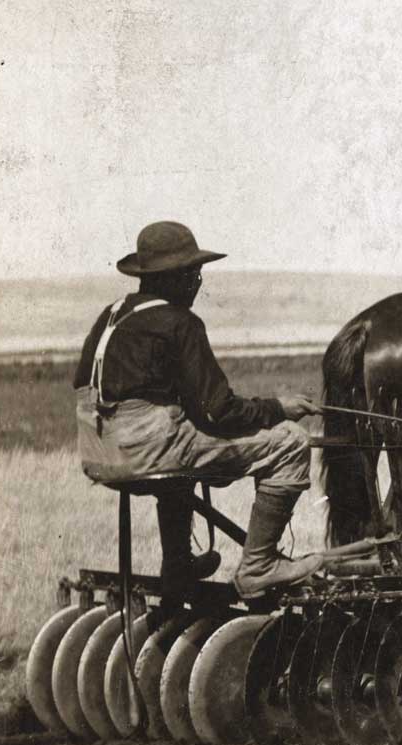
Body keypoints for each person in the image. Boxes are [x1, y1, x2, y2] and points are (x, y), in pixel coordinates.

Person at [76, 220, 326, 596]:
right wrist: (278, 408)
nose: (198, 282)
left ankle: (177, 564)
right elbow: (218, 411)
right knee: (290, 442)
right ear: (173, 278)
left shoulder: (112, 316)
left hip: (100, 451)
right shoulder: (180, 323)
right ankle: (259, 565)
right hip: (150, 452)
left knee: (180, 445)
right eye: (193, 273)